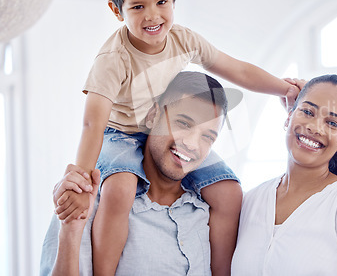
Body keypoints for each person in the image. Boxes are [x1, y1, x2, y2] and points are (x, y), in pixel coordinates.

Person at [59, 0, 299, 275]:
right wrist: (81, 180)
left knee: (229, 192)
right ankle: (104, 270)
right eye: (138, 7)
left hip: (168, 129)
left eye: (161, 2)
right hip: (122, 135)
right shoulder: (113, 59)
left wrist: (284, 88)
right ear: (117, 10)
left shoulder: (184, 40)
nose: (152, 16)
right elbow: (92, 124)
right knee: (119, 189)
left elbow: (238, 70)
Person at [41, 71, 236, 275]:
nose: (191, 144)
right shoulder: (89, 203)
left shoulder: (206, 212)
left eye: (207, 137)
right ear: (153, 116)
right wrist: (70, 233)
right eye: (183, 123)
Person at [231, 74, 337, 276]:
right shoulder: (252, 200)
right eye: (308, 111)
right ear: (289, 116)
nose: (314, 127)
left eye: (332, 123)